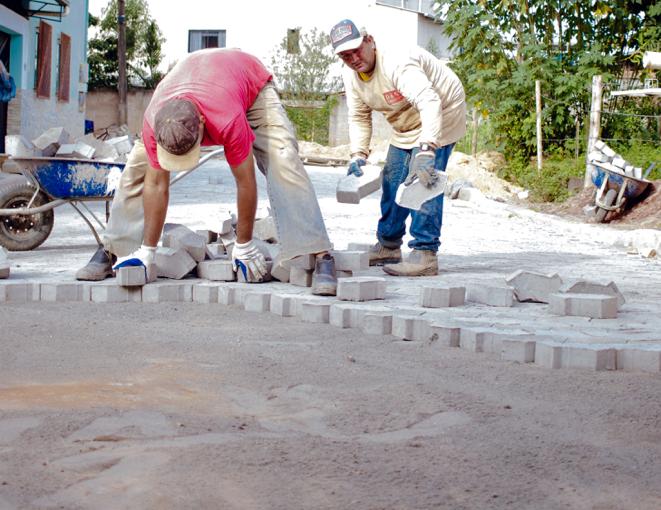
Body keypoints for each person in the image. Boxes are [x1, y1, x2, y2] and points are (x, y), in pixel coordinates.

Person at [76, 48, 337, 295]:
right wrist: (148, 250)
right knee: (136, 171)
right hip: (191, 78)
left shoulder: (227, 118)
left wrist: (243, 244)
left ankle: (319, 254)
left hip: (249, 83)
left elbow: (245, 182)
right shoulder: (154, 120)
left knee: (283, 157)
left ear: (202, 124)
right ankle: (114, 247)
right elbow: (156, 185)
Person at [330, 19, 466, 276]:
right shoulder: (352, 76)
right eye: (346, 55)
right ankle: (388, 246)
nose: (354, 58)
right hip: (406, 123)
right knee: (393, 179)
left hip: (442, 111)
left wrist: (427, 149)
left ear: (370, 41)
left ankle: (425, 254)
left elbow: (429, 101)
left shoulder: (397, 62)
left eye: (357, 49)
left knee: (422, 182)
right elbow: (359, 116)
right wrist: (358, 155)